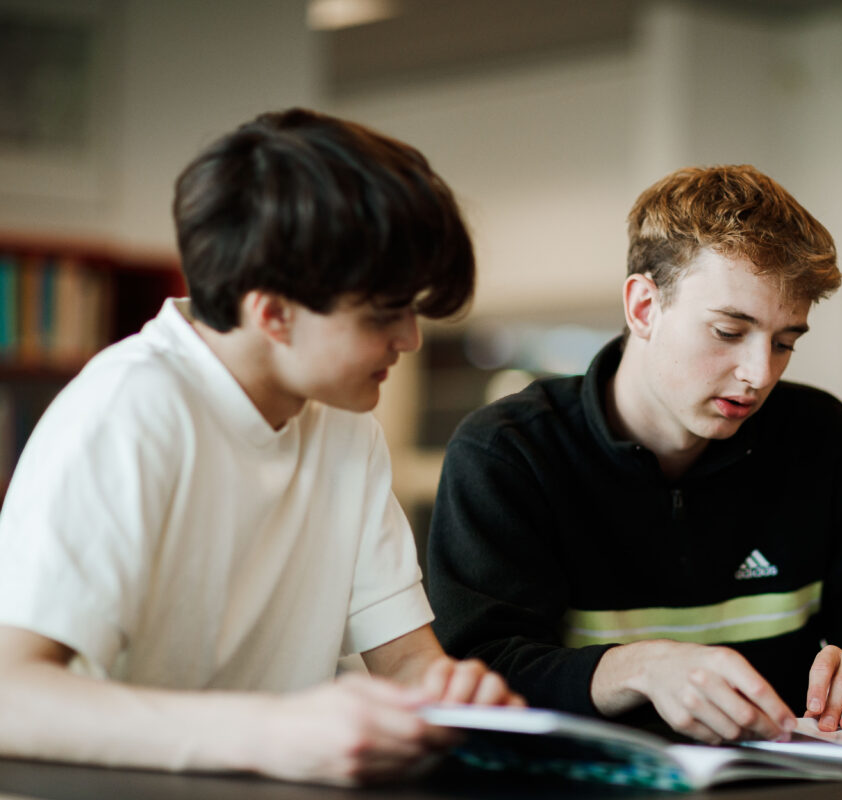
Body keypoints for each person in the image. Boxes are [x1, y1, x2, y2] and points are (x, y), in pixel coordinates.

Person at [0, 108, 521, 785]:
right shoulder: (129, 409)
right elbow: (11, 697)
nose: (410, 339)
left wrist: (453, 696)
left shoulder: (343, 421)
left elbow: (408, 663)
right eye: (382, 313)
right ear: (271, 312)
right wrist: (271, 730)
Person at [427, 164, 842, 745]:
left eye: (784, 343)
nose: (758, 375)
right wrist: (639, 667)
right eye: (729, 332)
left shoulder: (824, 442)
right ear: (644, 307)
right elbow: (473, 676)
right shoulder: (509, 452)